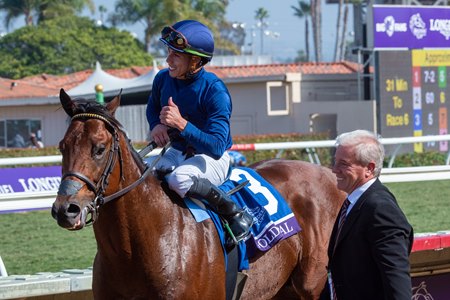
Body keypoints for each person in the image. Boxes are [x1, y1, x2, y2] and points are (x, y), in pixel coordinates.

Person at [146, 20, 253, 243]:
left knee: (179, 179)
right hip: (177, 152)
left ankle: (233, 212)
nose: (168, 60)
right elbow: (152, 107)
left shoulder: (215, 91)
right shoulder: (162, 79)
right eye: (168, 52)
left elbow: (215, 147)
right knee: (141, 174)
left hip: (212, 158)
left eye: (176, 55)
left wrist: (180, 124)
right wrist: (156, 124)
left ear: (195, 60)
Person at [320, 129, 413, 300]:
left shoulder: (380, 209)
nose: (334, 169)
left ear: (369, 168)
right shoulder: (353, 202)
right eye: (335, 162)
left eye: (343, 163)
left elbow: (396, 276)